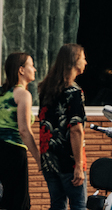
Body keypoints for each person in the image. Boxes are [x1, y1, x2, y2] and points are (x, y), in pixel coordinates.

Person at [38, 44, 88, 210]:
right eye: (83, 58)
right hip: (69, 161)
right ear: (74, 61)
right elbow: (75, 129)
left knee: (57, 205)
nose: (86, 62)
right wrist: (79, 166)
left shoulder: (46, 90)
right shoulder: (74, 92)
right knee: (78, 205)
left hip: (49, 160)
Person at [0, 53, 40, 210]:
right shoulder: (23, 94)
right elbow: (24, 130)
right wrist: (38, 158)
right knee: (18, 202)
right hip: (14, 152)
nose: (35, 69)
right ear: (21, 70)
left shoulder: (2, 93)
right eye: (31, 65)